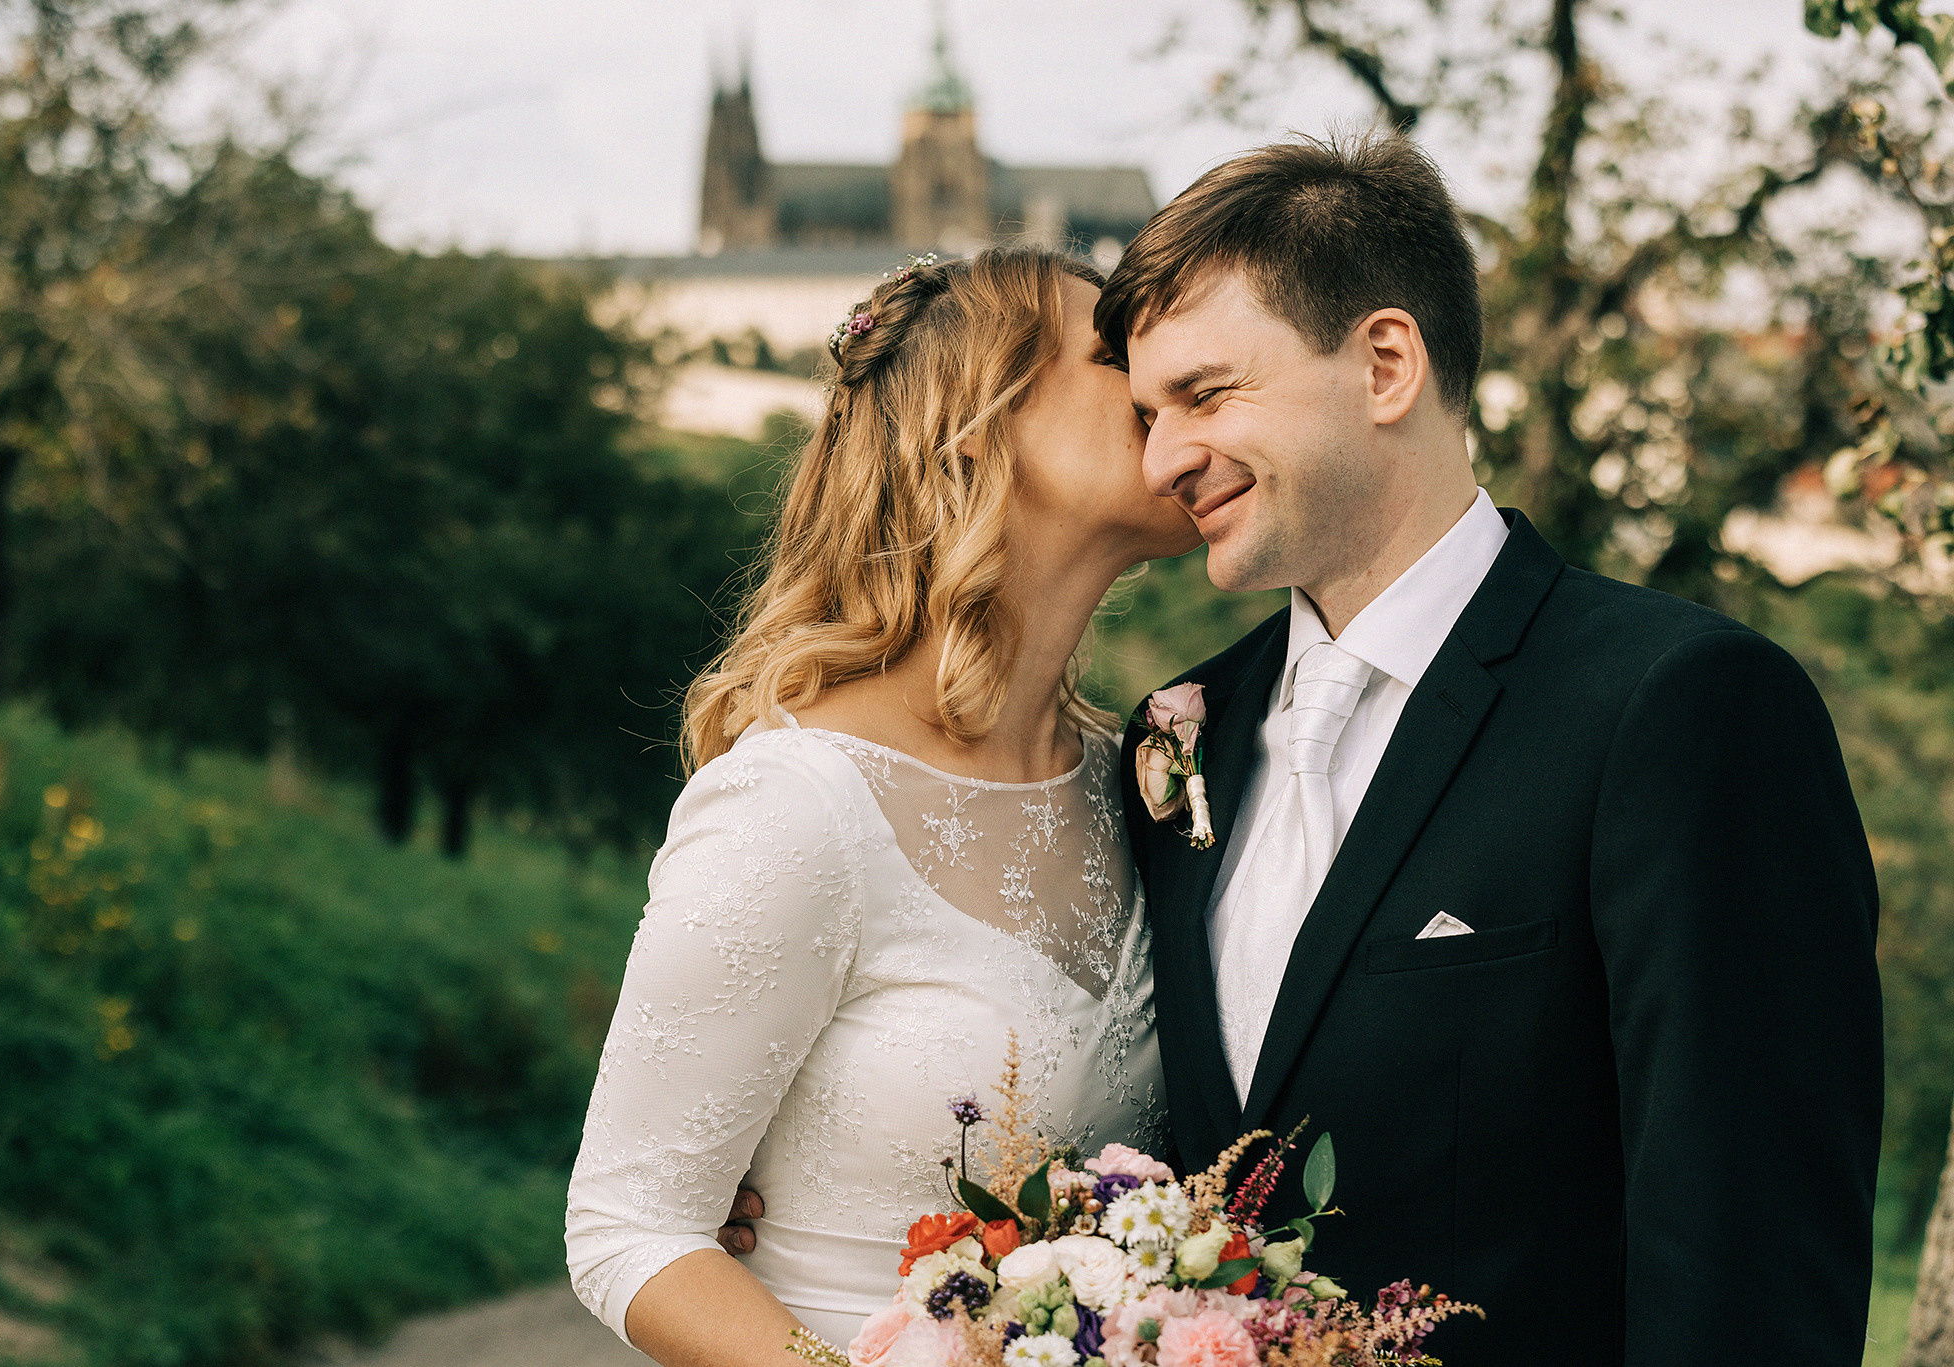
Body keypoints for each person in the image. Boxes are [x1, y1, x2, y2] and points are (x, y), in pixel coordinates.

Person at [1098, 133, 1884, 1365]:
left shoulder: (1677, 707)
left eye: (1203, 395)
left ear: (1385, 362)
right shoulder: (1172, 734)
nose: (1160, 459)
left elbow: (1749, 1269)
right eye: (1148, 415)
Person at [564, 246, 1198, 1364]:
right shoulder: (798, 803)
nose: (1164, 379)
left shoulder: (1143, 779)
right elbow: (627, 1226)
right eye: (1112, 353)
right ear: (975, 428)